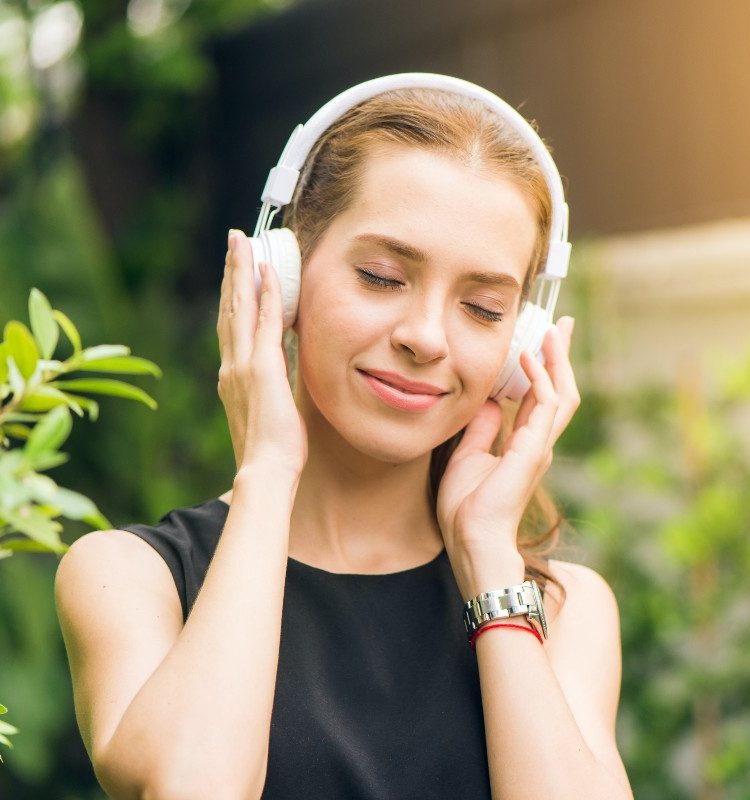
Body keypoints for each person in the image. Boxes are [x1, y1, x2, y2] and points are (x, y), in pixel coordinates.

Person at [55, 74, 632, 799]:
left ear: (522, 346)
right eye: (382, 276)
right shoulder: (131, 578)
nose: (425, 337)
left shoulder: (561, 609)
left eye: (483, 309)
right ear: (282, 276)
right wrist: (266, 473)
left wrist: (488, 560)